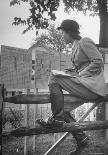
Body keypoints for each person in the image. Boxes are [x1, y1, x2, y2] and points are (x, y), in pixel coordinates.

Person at [36, 19, 105, 154]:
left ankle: (56, 118)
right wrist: (70, 72)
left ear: (69, 32)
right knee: (63, 108)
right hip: (84, 84)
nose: (62, 36)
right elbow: (79, 68)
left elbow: (98, 61)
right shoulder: (74, 46)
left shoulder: (85, 41)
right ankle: (81, 137)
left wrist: (81, 74)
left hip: (92, 86)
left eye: (63, 33)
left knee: (53, 77)